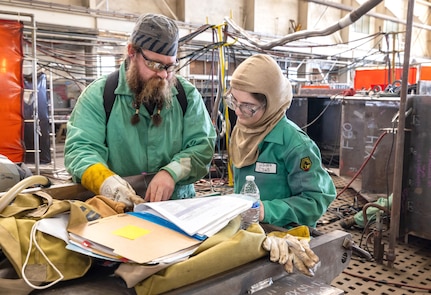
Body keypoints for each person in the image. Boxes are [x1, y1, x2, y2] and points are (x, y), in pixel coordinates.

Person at [64, 13, 216, 209]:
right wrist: (106, 182)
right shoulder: (100, 95)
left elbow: (202, 147)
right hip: (114, 207)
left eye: (169, 66)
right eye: (154, 64)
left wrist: (172, 172)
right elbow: (81, 149)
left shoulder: (186, 96)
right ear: (131, 52)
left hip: (175, 207)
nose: (162, 74)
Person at [227, 54, 336, 228]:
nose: (238, 112)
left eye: (248, 107)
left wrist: (268, 210)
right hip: (249, 229)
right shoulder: (242, 131)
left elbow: (316, 200)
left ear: (270, 103)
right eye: (234, 101)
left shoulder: (295, 145)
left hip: (283, 236)